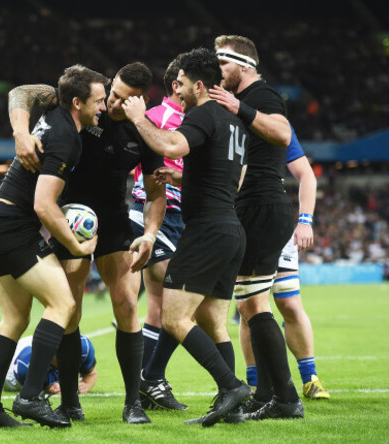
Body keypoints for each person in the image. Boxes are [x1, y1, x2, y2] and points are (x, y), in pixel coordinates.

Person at [9, 62, 166, 424]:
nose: (111, 103)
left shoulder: (144, 131)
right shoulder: (85, 103)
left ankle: (133, 404)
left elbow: (157, 192)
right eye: (112, 93)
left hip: (113, 223)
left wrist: (150, 233)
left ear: (139, 101)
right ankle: (69, 403)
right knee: (70, 308)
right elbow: (21, 93)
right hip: (71, 220)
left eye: (123, 100)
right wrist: (20, 132)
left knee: (127, 302)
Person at [122, 47, 252, 427]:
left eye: (179, 84)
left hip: (206, 231)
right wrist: (181, 179)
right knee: (214, 322)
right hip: (231, 230)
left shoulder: (204, 114)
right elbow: (233, 179)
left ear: (199, 85)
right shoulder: (235, 123)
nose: (175, 91)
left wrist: (138, 119)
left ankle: (231, 388)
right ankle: (233, 408)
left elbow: (169, 145)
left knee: (175, 318)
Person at [0, 65, 107, 429]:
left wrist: (20, 131)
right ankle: (30, 397)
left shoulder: (53, 110)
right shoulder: (67, 137)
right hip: (14, 225)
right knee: (62, 304)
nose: (104, 108)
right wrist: (77, 249)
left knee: (15, 319)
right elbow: (44, 206)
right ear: (77, 102)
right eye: (99, 101)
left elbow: (21, 92)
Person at [210, 34, 304, 420]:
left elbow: (282, 133)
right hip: (257, 207)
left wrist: (238, 108)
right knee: (251, 306)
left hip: (263, 208)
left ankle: (285, 399)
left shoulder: (262, 97)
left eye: (223, 66)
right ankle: (269, 394)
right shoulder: (248, 100)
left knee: (253, 305)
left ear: (243, 65)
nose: (219, 75)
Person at [240, 126, 329, 400]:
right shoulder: (225, 119)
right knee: (250, 307)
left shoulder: (274, 124)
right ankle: (255, 382)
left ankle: (310, 378)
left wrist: (305, 221)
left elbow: (306, 175)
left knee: (289, 303)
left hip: (275, 221)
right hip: (242, 222)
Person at [129, 55, 188, 411]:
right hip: (159, 212)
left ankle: (147, 381)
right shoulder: (161, 117)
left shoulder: (188, 118)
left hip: (177, 216)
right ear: (176, 86)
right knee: (178, 305)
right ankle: (150, 378)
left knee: (161, 305)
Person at [0, 334, 98, 395]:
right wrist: (50, 388)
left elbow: (91, 374)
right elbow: (36, 388)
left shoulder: (84, 347)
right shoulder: (26, 365)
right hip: (14, 374)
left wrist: (86, 385)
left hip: (32, 347)